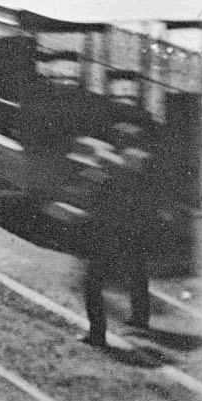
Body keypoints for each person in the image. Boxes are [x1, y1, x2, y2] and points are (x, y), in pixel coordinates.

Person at [76, 126, 155, 346]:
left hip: (107, 238)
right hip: (133, 235)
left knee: (92, 285)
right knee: (138, 274)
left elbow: (93, 205)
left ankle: (97, 334)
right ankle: (140, 319)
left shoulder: (108, 174)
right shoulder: (139, 179)